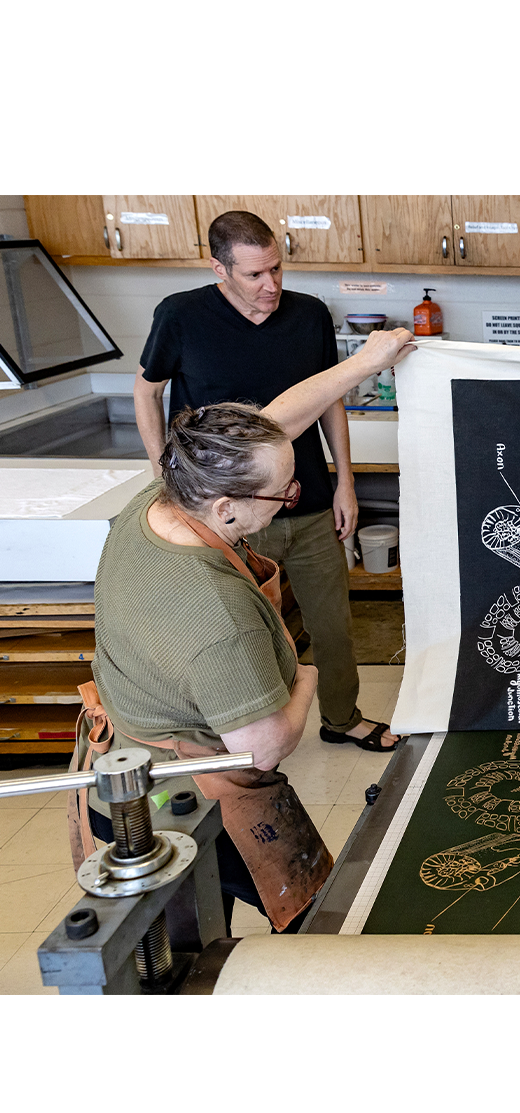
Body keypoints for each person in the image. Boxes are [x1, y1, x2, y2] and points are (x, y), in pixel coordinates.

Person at [71, 329, 416, 934]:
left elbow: (277, 423)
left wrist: (367, 362)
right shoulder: (216, 613)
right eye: (285, 494)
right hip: (180, 798)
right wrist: (304, 678)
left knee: (196, 926)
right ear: (227, 507)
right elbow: (261, 748)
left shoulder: (166, 496)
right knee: (261, 928)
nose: (289, 498)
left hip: (115, 755)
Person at [132, 209, 398, 752]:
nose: (270, 285)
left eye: (276, 269)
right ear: (220, 269)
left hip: (309, 501)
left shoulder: (309, 315)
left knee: (332, 625)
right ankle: (246, 740)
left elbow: (330, 400)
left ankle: (341, 718)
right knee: (241, 635)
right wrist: (165, 471)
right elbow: (146, 390)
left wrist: (344, 481)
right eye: (254, 274)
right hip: (228, 514)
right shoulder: (180, 315)